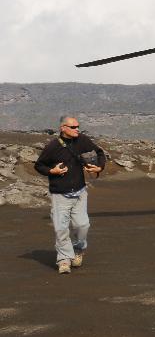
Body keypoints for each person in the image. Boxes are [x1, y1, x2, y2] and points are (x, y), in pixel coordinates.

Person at [33, 116, 106, 274]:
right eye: (73, 127)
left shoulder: (82, 140)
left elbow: (100, 153)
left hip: (80, 193)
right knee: (61, 229)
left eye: (78, 126)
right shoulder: (52, 146)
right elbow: (39, 165)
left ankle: (78, 250)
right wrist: (52, 171)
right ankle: (64, 260)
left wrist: (99, 168)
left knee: (82, 225)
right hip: (60, 195)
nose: (77, 129)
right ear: (63, 128)